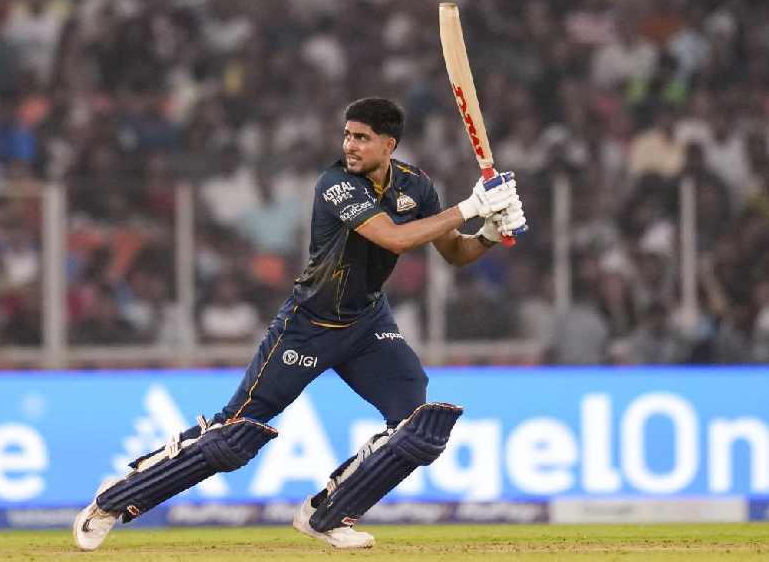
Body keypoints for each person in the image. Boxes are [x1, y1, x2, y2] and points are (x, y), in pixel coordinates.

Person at [73, 97, 527, 551]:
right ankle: (112, 501)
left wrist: (487, 232)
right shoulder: (336, 184)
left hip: (368, 323)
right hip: (309, 323)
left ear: (389, 144)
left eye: (362, 138)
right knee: (232, 437)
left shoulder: (416, 185)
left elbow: (456, 253)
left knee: (417, 429)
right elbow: (394, 237)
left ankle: (327, 516)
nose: (350, 144)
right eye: (348, 134)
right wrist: (470, 207)